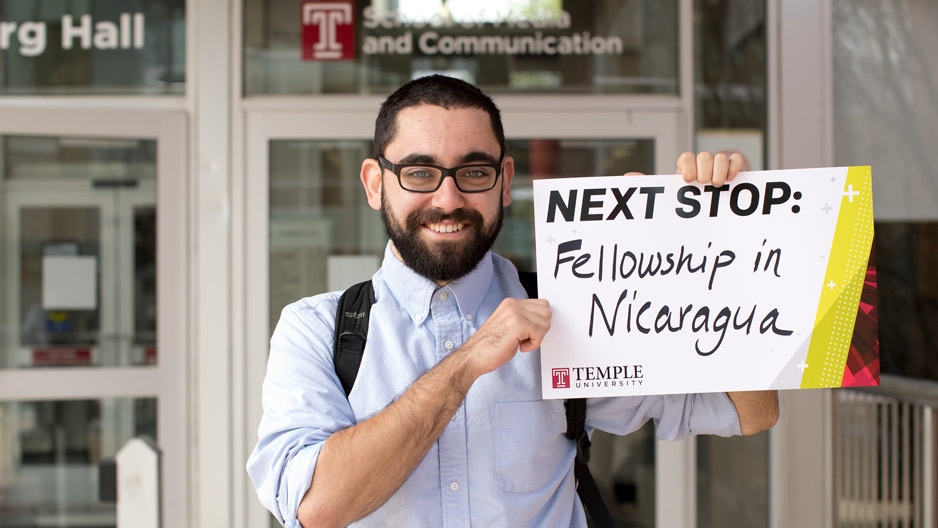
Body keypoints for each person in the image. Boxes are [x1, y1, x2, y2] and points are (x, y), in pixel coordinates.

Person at [247, 75, 779, 528]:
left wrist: (710, 254)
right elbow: (316, 506)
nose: (448, 198)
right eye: (419, 172)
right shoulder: (317, 329)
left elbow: (749, 411)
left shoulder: (577, 306)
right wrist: (466, 362)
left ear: (504, 183)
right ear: (374, 183)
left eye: (474, 172)